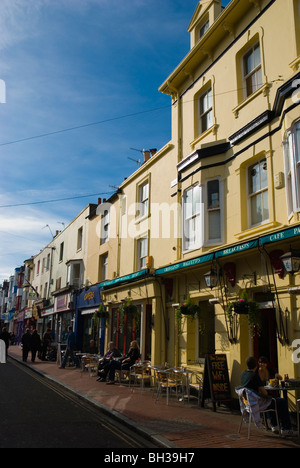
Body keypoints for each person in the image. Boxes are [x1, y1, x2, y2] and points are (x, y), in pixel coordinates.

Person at [241, 357, 295, 437]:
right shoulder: (254, 375)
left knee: (270, 400)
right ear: (256, 365)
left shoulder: (243, 374)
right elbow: (264, 392)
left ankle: (274, 425)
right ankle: (286, 428)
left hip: (248, 402)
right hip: (257, 403)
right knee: (281, 401)